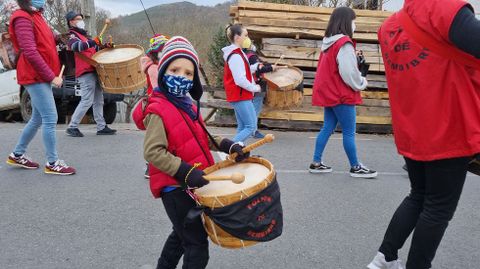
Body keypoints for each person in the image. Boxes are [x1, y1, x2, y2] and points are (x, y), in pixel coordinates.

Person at [367, 1, 480, 268]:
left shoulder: (389, 27)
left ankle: (384, 257)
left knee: (419, 195)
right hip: (448, 125)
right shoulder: (445, 11)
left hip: (412, 127)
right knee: (438, 208)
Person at [133, 36, 249, 269]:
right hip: (174, 186)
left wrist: (228, 145)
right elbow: (153, 152)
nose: (181, 77)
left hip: (188, 184)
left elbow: (201, 137)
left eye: (188, 73)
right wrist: (185, 172)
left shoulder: (185, 104)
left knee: (180, 235)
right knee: (196, 245)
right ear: (162, 71)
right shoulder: (158, 109)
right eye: (175, 69)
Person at [6, 0, 76, 175]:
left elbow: (45, 40)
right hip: (34, 74)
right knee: (50, 117)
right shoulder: (22, 17)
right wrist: (51, 76)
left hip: (39, 74)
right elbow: (29, 51)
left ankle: (17, 154)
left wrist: (62, 37)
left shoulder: (36, 15)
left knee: (37, 118)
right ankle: (52, 163)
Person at [309, 7, 377, 178]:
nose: (355, 25)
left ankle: (316, 162)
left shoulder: (328, 42)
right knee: (348, 131)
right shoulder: (344, 43)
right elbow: (348, 73)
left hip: (329, 93)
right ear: (347, 22)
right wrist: (361, 83)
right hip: (341, 94)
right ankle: (355, 167)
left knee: (327, 128)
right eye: (354, 21)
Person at [64, 11, 116, 137]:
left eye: (81, 18)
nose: (81, 21)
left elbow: (94, 50)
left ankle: (101, 126)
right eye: (78, 19)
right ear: (71, 22)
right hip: (85, 72)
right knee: (87, 100)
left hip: (94, 70)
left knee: (99, 100)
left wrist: (105, 46)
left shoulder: (85, 37)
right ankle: (72, 126)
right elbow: (77, 47)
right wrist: (94, 42)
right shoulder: (71, 36)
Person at [222, 24, 261, 143]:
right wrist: (254, 88)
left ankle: (237, 155)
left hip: (239, 95)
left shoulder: (238, 53)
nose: (247, 38)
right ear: (237, 37)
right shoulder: (235, 55)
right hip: (241, 96)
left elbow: (245, 69)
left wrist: (257, 67)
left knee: (243, 127)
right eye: (245, 35)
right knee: (251, 127)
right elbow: (239, 79)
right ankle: (229, 150)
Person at [139, 34, 169, 179]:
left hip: (162, 103)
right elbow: (159, 87)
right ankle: (150, 167)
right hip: (157, 105)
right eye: (163, 50)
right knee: (156, 137)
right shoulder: (153, 68)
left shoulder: (161, 66)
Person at [242, 41, 276, 139]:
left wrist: (268, 65)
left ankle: (249, 129)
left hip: (252, 85)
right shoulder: (252, 56)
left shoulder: (245, 56)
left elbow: (259, 64)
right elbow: (259, 68)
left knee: (252, 108)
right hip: (257, 86)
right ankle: (253, 131)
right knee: (255, 110)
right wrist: (271, 68)